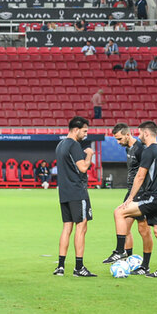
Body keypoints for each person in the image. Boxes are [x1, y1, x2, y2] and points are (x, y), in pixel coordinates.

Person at [113, 121, 157, 278]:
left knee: (120, 212)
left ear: (146, 133)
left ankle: (120, 251)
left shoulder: (149, 151)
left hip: (154, 197)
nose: (138, 136)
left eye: (140, 133)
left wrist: (130, 198)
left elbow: (140, 176)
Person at [103, 124, 154, 272]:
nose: (118, 142)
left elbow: (146, 171)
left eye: (119, 139)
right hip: (131, 191)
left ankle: (144, 265)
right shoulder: (128, 148)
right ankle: (128, 259)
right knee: (124, 227)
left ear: (127, 135)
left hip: (142, 192)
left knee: (143, 229)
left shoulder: (140, 149)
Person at [53, 116, 96, 277]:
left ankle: (60, 266)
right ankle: (79, 267)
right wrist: (89, 154)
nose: (86, 134)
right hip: (77, 192)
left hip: (64, 192)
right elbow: (83, 168)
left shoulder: (60, 145)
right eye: (84, 131)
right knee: (81, 226)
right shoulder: (74, 145)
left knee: (67, 227)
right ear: (76, 129)